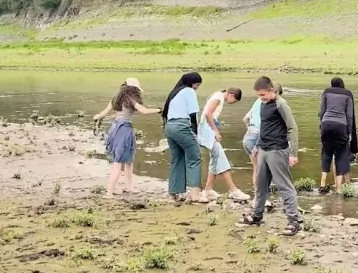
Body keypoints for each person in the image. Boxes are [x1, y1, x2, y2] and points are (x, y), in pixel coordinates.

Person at [242, 77, 301, 235]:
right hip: (263, 149)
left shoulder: (281, 104)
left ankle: (293, 221)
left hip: (278, 150)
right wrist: (257, 146)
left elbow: (292, 128)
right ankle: (256, 215)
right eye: (258, 95)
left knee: (284, 186)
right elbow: (265, 127)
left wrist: (293, 153)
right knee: (261, 185)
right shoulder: (262, 104)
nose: (261, 98)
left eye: (263, 94)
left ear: (271, 90)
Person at [93, 78, 161, 198]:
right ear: (134, 90)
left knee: (128, 160)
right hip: (124, 130)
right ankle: (109, 192)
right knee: (118, 162)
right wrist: (159, 110)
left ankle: (128, 187)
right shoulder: (131, 100)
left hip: (115, 128)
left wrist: (96, 118)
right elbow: (143, 111)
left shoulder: (116, 98)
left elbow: (103, 113)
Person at [198, 88, 249, 202]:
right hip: (207, 131)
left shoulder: (217, 96)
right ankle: (233, 190)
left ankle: (208, 190)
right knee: (220, 157)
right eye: (234, 101)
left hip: (206, 129)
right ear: (231, 95)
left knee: (215, 158)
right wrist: (215, 130)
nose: (232, 103)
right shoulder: (218, 98)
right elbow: (207, 113)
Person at [162, 72, 205, 203]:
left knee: (177, 159)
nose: (197, 87)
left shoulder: (174, 92)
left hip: (169, 127)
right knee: (194, 157)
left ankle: (173, 193)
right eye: (197, 84)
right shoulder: (189, 91)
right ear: (192, 83)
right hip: (181, 126)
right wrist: (195, 133)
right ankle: (195, 194)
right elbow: (192, 115)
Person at [318, 77, 358, 195]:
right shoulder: (348, 94)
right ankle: (339, 189)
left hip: (326, 124)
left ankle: (322, 184)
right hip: (341, 125)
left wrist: (322, 126)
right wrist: (350, 132)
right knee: (341, 155)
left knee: (326, 152)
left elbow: (322, 111)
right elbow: (350, 116)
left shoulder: (326, 92)